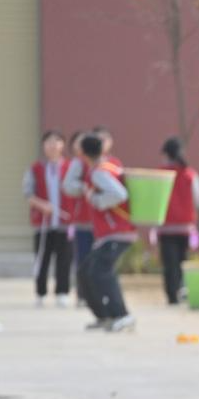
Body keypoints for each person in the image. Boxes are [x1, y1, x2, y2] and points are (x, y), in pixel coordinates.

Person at [73, 134, 137, 332]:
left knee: (101, 272)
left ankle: (122, 315)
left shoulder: (98, 173)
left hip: (117, 232)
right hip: (110, 234)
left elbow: (120, 194)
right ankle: (105, 316)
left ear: (82, 154)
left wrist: (96, 200)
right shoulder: (108, 167)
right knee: (85, 272)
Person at [23, 130, 74, 308]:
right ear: (43, 145)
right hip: (43, 223)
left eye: (57, 141)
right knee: (42, 259)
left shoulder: (70, 167)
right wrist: (41, 205)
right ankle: (40, 293)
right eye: (49, 142)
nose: (53, 145)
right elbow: (28, 193)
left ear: (63, 145)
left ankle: (62, 292)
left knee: (64, 259)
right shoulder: (35, 168)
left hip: (65, 223)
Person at [158, 137, 199, 305]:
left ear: (165, 154)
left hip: (165, 226)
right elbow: (197, 199)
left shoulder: (160, 173)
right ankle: (182, 289)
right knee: (182, 261)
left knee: (168, 263)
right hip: (185, 226)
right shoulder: (190, 174)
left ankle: (171, 295)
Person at [66, 131, 95, 306]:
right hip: (83, 221)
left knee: (97, 262)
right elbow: (68, 186)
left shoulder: (102, 163)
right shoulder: (77, 164)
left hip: (100, 223)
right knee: (83, 260)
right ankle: (83, 295)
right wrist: (85, 187)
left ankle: (96, 295)